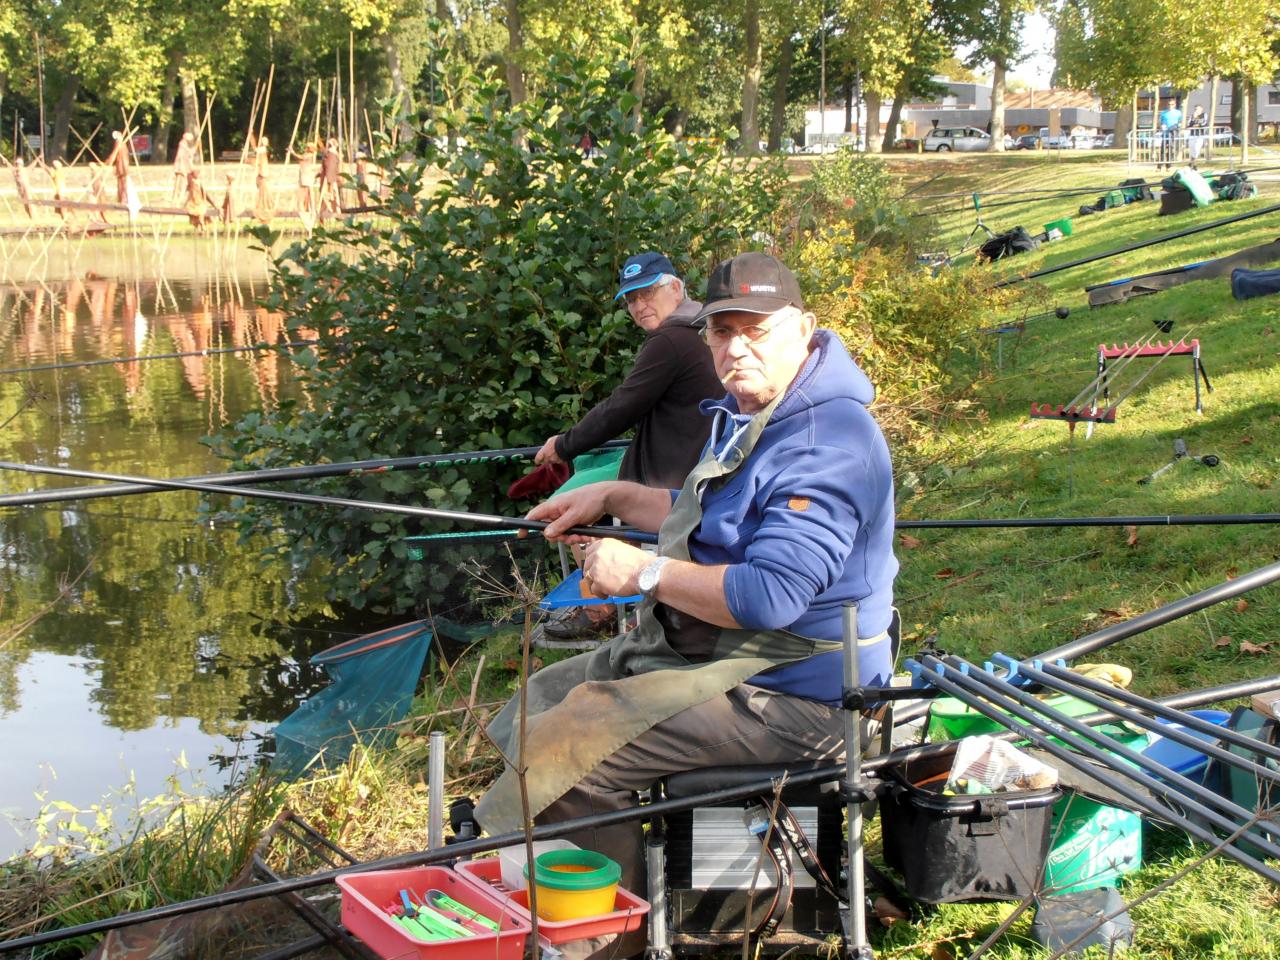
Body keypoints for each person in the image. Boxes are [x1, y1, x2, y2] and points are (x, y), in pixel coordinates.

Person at [475, 253, 898, 935]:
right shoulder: (772, 407)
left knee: (569, 758)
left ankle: (617, 938)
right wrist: (614, 494)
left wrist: (642, 572)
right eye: (722, 332)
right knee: (535, 706)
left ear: (805, 327)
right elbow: (717, 512)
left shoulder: (828, 440)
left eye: (756, 330)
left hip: (801, 694)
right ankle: (577, 888)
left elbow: (770, 594)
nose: (736, 349)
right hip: (726, 656)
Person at [532, 252, 723, 641]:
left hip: (668, 475)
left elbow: (621, 407)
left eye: (648, 292)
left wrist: (563, 446)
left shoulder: (671, 339)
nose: (639, 306)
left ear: (675, 287)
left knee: (573, 504)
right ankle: (633, 609)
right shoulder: (708, 329)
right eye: (632, 299)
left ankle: (595, 608)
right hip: (699, 466)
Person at [318, 138, 341, 218]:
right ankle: (334, 212)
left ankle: (328, 212)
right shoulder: (333, 154)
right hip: (331, 179)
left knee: (327, 196)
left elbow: (322, 148)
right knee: (331, 196)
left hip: (329, 179)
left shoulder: (330, 154)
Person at [1158, 97, 1183, 169]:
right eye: (1169, 104)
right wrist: (1162, 126)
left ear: (1175, 105)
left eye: (1172, 104)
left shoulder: (1178, 112)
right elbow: (1161, 122)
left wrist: (1177, 126)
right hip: (1165, 132)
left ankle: (1168, 165)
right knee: (1163, 148)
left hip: (1173, 132)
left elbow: (1180, 122)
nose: (1170, 106)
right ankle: (1160, 165)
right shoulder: (1163, 113)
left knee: (1171, 148)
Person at [253, 136, 274, 221]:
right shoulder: (262, 150)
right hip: (261, 174)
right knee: (261, 193)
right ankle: (260, 207)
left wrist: (251, 136)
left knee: (264, 193)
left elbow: (256, 150)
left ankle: (265, 208)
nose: (262, 142)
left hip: (263, 174)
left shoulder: (263, 149)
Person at [107, 130, 131, 202]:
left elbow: (114, 154)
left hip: (122, 166)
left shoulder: (119, 143)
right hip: (123, 166)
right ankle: (122, 198)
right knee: (122, 183)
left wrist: (108, 162)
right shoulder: (123, 144)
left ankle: (123, 199)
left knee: (122, 183)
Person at [172, 131, 197, 201]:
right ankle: (177, 197)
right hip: (180, 167)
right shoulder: (182, 144)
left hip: (182, 166)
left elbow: (188, 154)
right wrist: (194, 149)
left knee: (181, 182)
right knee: (180, 182)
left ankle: (178, 196)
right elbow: (188, 153)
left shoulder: (183, 145)